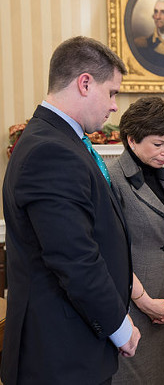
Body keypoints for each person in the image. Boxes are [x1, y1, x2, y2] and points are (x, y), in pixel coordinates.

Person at [1, 36, 141, 385]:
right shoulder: (51, 151)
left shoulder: (58, 140)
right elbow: (75, 259)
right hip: (59, 354)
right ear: (84, 83)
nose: (114, 107)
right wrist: (119, 328)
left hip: (71, 345)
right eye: (112, 93)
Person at [108, 97, 164, 384]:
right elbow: (109, 252)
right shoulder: (112, 180)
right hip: (131, 305)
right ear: (132, 139)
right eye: (158, 144)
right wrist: (144, 302)